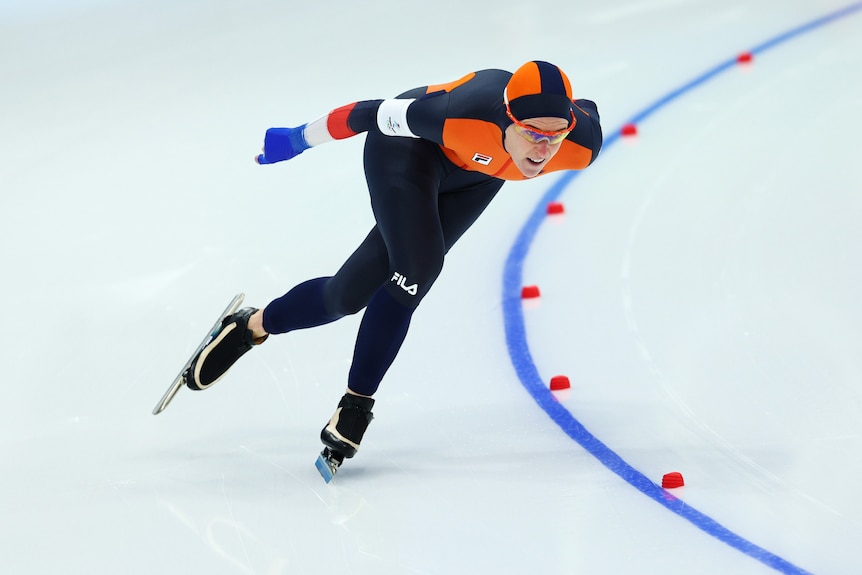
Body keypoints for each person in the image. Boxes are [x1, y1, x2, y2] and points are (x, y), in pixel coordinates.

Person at [184, 60, 603, 471]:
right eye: (532, 134)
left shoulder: (579, 145)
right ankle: (356, 404)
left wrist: (562, 124)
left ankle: (250, 325)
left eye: (556, 134)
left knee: (349, 292)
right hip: (406, 153)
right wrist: (297, 139)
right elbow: (367, 114)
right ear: (508, 119)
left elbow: (587, 110)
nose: (544, 149)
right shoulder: (456, 115)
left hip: (477, 177)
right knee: (406, 273)